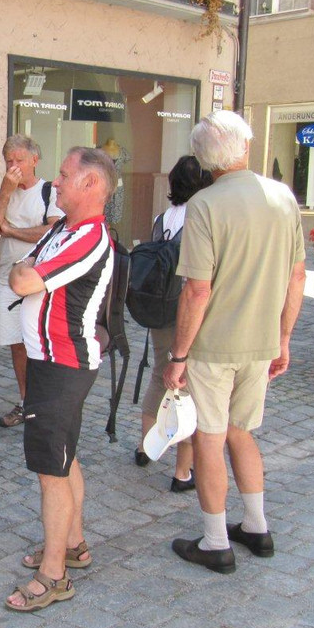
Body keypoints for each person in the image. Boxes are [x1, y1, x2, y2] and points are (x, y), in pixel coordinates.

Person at [164, 111, 305, 574]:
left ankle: (215, 540)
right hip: (260, 341)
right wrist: (283, 338)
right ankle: (258, 527)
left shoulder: (205, 204)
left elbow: (197, 289)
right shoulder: (282, 197)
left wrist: (178, 354)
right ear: (245, 145)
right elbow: (296, 275)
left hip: (214, 346)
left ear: (205, 159)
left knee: (210, 438)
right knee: (242, 433)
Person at [5, 147, 115, 613]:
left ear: (91, 185)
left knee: (51, 469)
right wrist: (21, 271)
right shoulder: (61, 229)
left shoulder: (89, 237)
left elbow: (24, 281)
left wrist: (21, 273)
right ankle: (73, 543)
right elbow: (22, 268)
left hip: (62, 363)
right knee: (65, 457)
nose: (57, 180)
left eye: (66, 175)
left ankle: (54, 575)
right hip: (52, 360)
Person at [134, 155, 213, 490]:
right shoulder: (203, 216)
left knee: (158, 376)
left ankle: (145, 447)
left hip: (160, 309)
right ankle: (183, 470)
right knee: (188, 387)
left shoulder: (162, 217)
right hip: (187, 310)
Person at [0, 134, 64, 428]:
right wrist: (5, 192)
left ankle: (46, 403)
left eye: (19, 160)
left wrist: (13, 231)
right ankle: (26, 402)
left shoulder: (49, 191)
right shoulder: (4, 190)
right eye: (8, 161)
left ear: (34, 160)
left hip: (41, 281)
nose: (13, 166)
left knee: (41, 344)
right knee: (18, 345)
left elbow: (53, 232)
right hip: (8, 280)